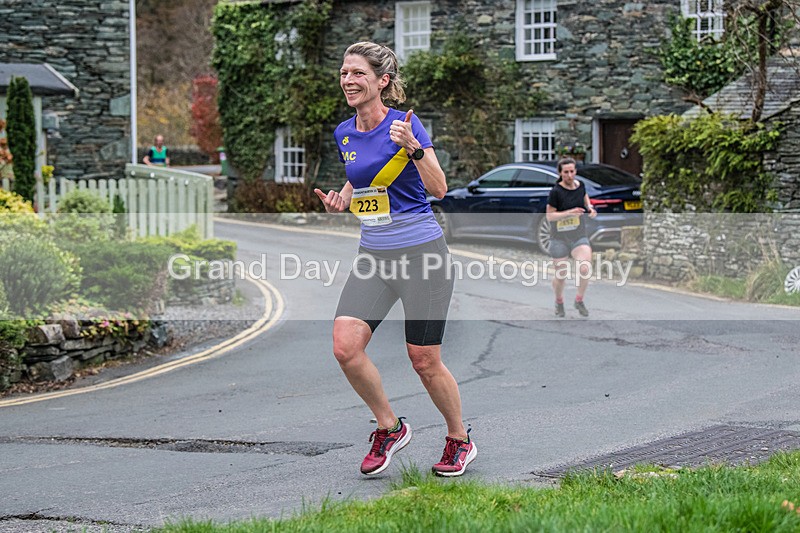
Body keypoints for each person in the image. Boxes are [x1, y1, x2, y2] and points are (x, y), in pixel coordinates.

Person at [313, 42, 476, 477]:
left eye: (358, 73)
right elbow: (362, 182)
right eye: (344, 72)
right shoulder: (344, 133)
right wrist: (341, 199)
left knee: (424, 360)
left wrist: (414, 149)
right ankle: (390, 427)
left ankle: (459, 438)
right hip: (374, 256)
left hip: (422, 256)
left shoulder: (406, 124)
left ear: (382, 80)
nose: (348, 80)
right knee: (345, 347)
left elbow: (439, 188)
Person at [546, 157, 597, 318]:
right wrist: (569, 213)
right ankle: (559, 301)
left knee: (585, 268)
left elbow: (584, 196)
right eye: (566, 172)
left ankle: (579, 300)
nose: (569, 175)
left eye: (572, 171)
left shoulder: (580, 185)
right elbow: (550, 216)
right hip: (559, 238)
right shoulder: (556, 192)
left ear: (575, 171)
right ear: (560, 173)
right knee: (561, 275)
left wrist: (590, 207)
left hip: (578, 235)